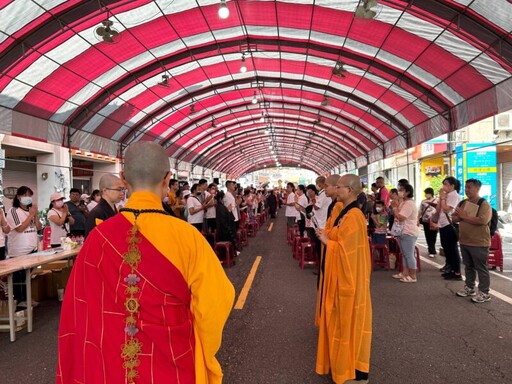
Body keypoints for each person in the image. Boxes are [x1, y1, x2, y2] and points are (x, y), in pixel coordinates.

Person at [56, 141, 235, 384]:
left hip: (112, 365)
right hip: (175, 360)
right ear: (167, 178)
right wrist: (204, 354)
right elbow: (215, 303)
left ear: (123, 178)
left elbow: (79, 310)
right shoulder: (188, 237)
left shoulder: (99, 238)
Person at [315, 174, 372, 384]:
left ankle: (353, 370)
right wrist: (328, 235)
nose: (335, 190)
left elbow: (347, 251)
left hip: (350, 281)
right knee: (341, 324)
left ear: (349, 190)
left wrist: (326, 240)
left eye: (338, 187)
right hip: (341, 278)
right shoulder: (346, 212)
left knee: (350, 325)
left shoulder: (354, 216)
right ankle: (341, 367)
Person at [453, 178, 493, 303]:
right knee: (468, 266)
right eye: (466, 187)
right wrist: (459, 217)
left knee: (481, 268)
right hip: (464, 240)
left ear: (477, 188)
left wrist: (464, 216)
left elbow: (482, 221)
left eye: (469, 187)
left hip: (479, 242)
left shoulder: (483, 203)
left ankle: (484, 292)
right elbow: (454, 218)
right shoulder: (463, 202)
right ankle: (469, 288)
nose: (467, 190)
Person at [6, 186, 43, 306]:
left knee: (28, 277)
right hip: (18, 251)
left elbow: (38, 227)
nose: (28, 198)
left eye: (29, 195)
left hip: (32, 249)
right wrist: (31, 215)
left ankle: (26, 299)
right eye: (25, 195)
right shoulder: (13, 211)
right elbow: (19, 228)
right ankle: (19, 301)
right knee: (18, 278)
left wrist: (34, 214)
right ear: (18, 197)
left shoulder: (30, 211)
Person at [391, 184, 419, 283]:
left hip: (408, 232)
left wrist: (394, 208)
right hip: (403, 231)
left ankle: (413, 275)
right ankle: (405, 273)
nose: (399, 192)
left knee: (409, 254)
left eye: (401, 190)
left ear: (407, 192)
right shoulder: (404, 202)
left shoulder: (409, 204)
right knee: (404, 254)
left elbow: (401, 217)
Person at [436, 176, 462, 280]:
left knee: (452, 249)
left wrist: (442, 198)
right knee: (446, 248)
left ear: (452, 185)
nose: (444, 186)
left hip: (449, 224)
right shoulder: (447, 195)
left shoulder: (454, 196)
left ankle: (457, 272)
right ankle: (451, 269)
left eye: (446, 184)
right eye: (443, 184)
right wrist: (441, 198)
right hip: (443, 224)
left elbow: (446, 209)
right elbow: (440, 209)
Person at [418, 187, 438, 257]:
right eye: (425, 193)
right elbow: (420, 211)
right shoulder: (423, 201)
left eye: (427, 193)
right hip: (425, 221)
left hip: (434, 220)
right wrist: (418, 219)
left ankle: (432, 248)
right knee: (428, 235)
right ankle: (432, 251)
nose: (426, 195)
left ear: (431, 193)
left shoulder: (437, 200)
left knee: (434, 235)